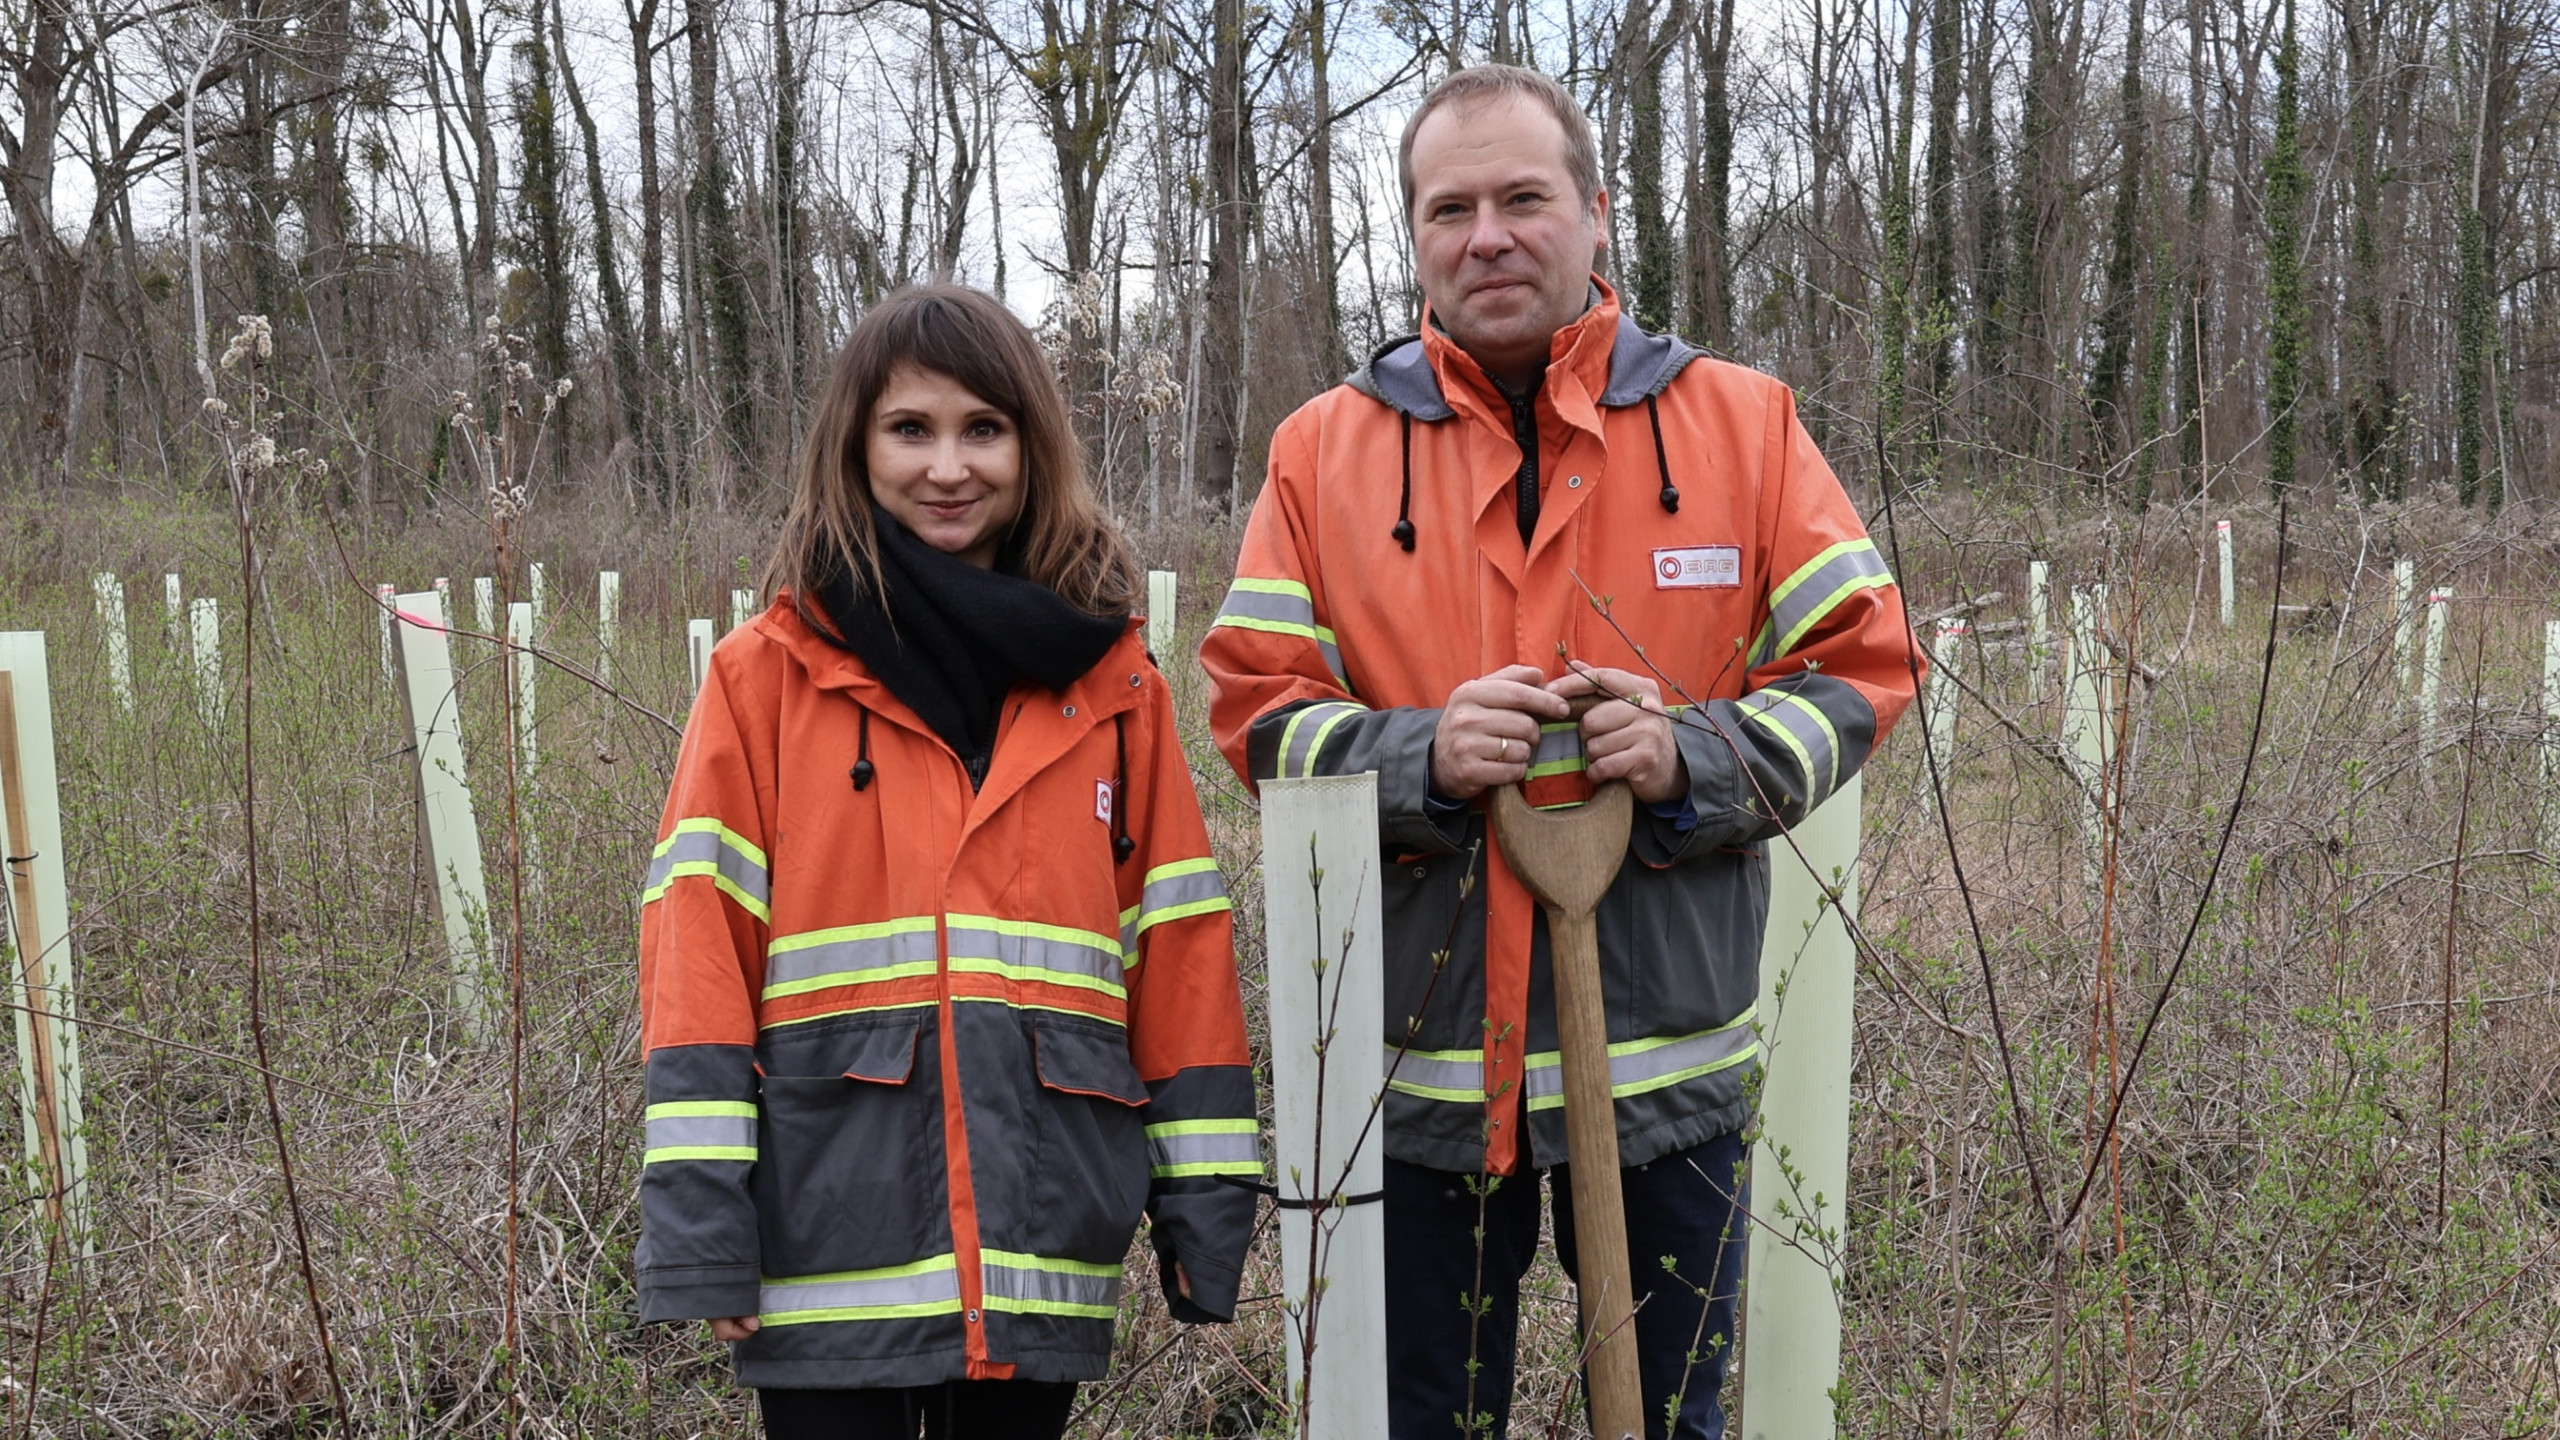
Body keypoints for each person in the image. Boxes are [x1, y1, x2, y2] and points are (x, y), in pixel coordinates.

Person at [1201, 66, 1921, 1440]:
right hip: (1416, 1073)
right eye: (1449, 208)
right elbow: (1254, 706)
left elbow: (1861, 667)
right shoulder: (1321, 454)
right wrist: (1414, 756)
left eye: (1524, 199)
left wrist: (1689, 759)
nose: (1489, 236)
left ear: (1596, 214)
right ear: (1413, 236)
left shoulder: (1741, 427)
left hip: (1664, 1076)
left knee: (1667, 1418)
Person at [636, 284, 1259, 1440]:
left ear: (1031, 446)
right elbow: (697, 953)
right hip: (827, 1246)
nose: (948, 466)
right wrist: (700, 1221)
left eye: (983, 428)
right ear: (854, 447)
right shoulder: (762, 679)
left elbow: (1174, 951)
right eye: (909, 430)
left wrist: (1207, 1203)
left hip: (1040, 1241)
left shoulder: (1115, 687)